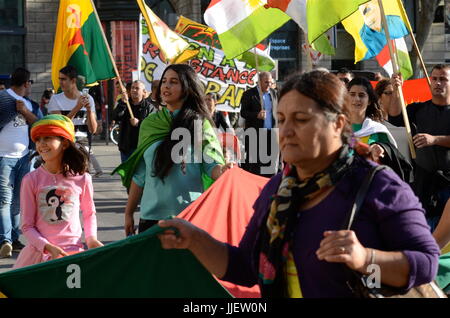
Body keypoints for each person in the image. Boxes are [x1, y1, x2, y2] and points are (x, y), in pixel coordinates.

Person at [157, 70, 440, 298]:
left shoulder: (379, 185)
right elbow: (245, 267)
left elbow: (426, 264)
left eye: (301, 119)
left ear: (339, 124)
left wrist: (366, 258)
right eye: (280, 119)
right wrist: (195, 239)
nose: (287, 131)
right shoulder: (279, 188)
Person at [120, 64, 232, 235]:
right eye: (164, 81)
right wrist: (129, 213)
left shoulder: (200, 124)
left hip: (189, 217)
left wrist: (224, 171)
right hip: (151, 218)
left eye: (173, 82)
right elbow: (141, 175)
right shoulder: (150, 124)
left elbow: (212, 167)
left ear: (187, 88)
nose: (166, 86)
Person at [13, 114, 103, 268]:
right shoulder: (30, 180)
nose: (41, 144)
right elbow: (27, 226)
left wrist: (91, 239)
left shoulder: (83, 179)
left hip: (72, 253)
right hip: (38, 255)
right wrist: (47, 247)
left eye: (47, 138)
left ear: (65, 143)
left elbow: (89, 214)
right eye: (38, 140)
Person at [389, 64, 450, 229]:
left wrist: (435, 140)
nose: (438, 83)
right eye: (434, 79)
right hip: (423, 184)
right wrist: (396, 90)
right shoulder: (419, 109)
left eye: (443, 79)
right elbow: (394, 117)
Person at [0, 68, 37, 258]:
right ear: (26, 83)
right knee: (4, 200)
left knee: (17, 202)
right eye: (30, 83)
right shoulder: (3, 98)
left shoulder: (29, 104)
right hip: (3, 157)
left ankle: (13, 240)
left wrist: (24, 111)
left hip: (24, 157)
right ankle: (4, 239)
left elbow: (38, 123)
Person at [46, 66, 102, 177]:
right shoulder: (55, 99)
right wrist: (77, 107)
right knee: (64, 177)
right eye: (59, 79)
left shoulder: (88, 98)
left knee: (82, 177)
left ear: (73, 81)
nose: (60, 82)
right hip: (63, 142)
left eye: (63, 79)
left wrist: (89, 110)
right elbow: (61, 125)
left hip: (82, 143)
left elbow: (93, 129)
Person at [347, 77, 397, 161]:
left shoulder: (378, 130)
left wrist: (380, 150)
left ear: (369, 101)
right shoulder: (337, 128)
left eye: (361, 95)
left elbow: (390, 160)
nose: (356, 99)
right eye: (352, 94)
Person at [240, 71, 278, 177]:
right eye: (266, 82)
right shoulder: (249, 94)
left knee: (271, 166)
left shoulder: (274, 94)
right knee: (256, 166)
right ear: (259, 82)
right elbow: (243, 112)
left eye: (270, 82)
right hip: (255, 135)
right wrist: (256, 115)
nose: (269, 85)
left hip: (272, 134)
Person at [112, 80, 156, 163]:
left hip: (141, 148)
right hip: (126, 148)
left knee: (140, 175)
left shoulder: (150, 108)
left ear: (143, 92)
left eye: (137, 88)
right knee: (127, 175)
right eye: (132, 88)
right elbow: (115, 116)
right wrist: (122, 103)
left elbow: (152, 127)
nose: (134, 90)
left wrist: (139, 124)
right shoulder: (124, 104)